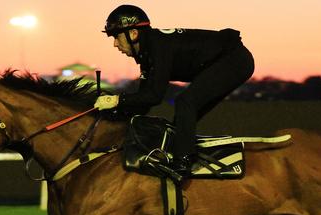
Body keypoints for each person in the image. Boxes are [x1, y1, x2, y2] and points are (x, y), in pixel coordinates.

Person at [94, 4, 255, 175]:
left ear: (133, 34)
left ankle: (183, 161)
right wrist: (115, 111)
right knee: (178, 123)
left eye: (117, 37)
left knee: (185, 102)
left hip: (236, 59)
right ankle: (184, 153)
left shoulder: (158, 47)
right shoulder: (149, 53)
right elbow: (143, 102)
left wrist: (117, 100)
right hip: (230, 58)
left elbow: (154, 96)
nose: (114, 44)